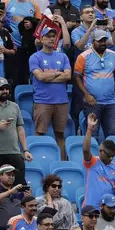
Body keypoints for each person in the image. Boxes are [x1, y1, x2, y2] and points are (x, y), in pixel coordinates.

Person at [29, 26, 71, 159]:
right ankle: (37, 160)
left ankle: (62, 163)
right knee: (40, 133)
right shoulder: (35, 57)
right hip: (43, 101)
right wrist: (58, 73)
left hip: (61, 101)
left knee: (60, 134)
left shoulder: (63, 56)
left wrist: (49, 75)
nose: (52, 39)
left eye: (54, 36)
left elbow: (68, 76)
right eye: (49, 36)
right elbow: (40, 77)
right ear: (41, 39)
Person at [74, 29, 115, 140]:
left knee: (113, 134)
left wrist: (113, 90)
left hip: (110, 102)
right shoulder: (83, 56)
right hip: (92, 103)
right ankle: (91, 157)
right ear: (93, 41)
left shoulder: (114, 56)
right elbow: (76, 76)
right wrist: (86, 95)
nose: (103, 43)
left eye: (104, 40)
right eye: (100, 41)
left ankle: (111, 157)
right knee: (92, 134)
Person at [0, 78, 31, 187]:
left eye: (7, 89)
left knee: (20, 185)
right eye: (1, 89)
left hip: (14, 152)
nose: (5, 91)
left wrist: (25, 150)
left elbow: (20, 129)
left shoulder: (14, 106)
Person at [3, 0, 40, 85]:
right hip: (12, 48)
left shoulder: (33, 5)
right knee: (12, 78)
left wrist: (32, 24)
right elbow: (2, 23)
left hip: (28, 48)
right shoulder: (7, 3)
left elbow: (39, 25)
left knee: (26, 78)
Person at [82, 113, 115, 209]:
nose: (111, 159)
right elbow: (85, 150)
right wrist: (89, 129)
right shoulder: (92, 162)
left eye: (113, 156)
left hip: (109, 209)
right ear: (101, 151)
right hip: (92, 207)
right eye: (108, 156)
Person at [0, 165, 30, 230]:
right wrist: (10, 192)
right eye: (8, 175)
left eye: (13, 175)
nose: (11, 177)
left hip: (16, 229)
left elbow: (25, 210)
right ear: (0, 175)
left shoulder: (17, 191)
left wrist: (27, 198)